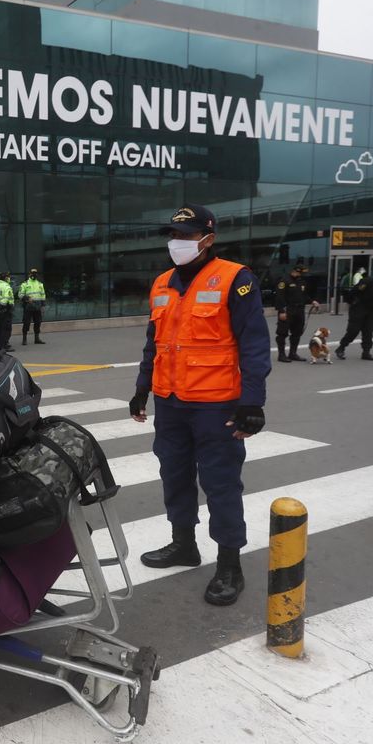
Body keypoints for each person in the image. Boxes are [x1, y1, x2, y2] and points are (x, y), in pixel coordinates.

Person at [128, 205, 270, 607]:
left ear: (208, 239)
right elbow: (153, 344)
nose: (178, 243)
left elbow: (254, 344)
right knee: (173, 476)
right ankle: (183, 545)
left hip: (216, 404)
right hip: (170, 402)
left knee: (221, 484)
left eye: (187, 236)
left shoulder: (235, 279)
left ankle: (229, 564)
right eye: (174, 235)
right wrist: (142, 389)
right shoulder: (161, 283)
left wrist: (252, 403)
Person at [335, 268, 373, 360]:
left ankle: (366, 352)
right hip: (358, 309)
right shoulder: (369, 281)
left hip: (370, 310)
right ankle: (341, 348)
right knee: (353, 330)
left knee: (368, 332)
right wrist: (354, 303)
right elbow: (354, 292)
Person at [274, 264, 318, 362]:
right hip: (287, 310)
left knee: (297, 333)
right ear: (296, 271)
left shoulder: (301, 281)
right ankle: (281, 355)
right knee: (282, 333)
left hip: (299, 311)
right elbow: (279, 297)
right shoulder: (284, 281)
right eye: (301, 272)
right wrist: (281, 311)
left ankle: (292, 353)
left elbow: (304, 295)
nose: (302, 275)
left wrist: (312, 301)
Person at [18, 268, 47, 345]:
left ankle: (37, 339)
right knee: (26, 323)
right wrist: (27, 298)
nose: (34, 275)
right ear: (29, 274)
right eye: (32, 273)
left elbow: (43, 295)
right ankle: (24, 339)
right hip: (28, 306)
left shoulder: (40, 284)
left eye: (35, 273)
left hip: (37, 306)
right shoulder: (25, 284)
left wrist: (43, 305)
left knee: (38, 322)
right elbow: (20, 295)